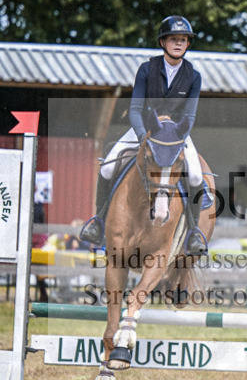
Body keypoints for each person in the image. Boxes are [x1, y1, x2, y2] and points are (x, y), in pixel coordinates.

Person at [80, 16, 210, 255]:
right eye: (174, 39)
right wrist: (143, 136)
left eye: (183, 40)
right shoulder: (147, 69)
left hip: (177, 134)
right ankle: (98, 221)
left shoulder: (194, 76)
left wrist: (177, 135)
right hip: (146, 130)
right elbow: (136, 109)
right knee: (108, 167)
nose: (179, 44)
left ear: (187, 44)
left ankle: (193, 233)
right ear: (163, 42)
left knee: (194, 176)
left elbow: (189, 117)